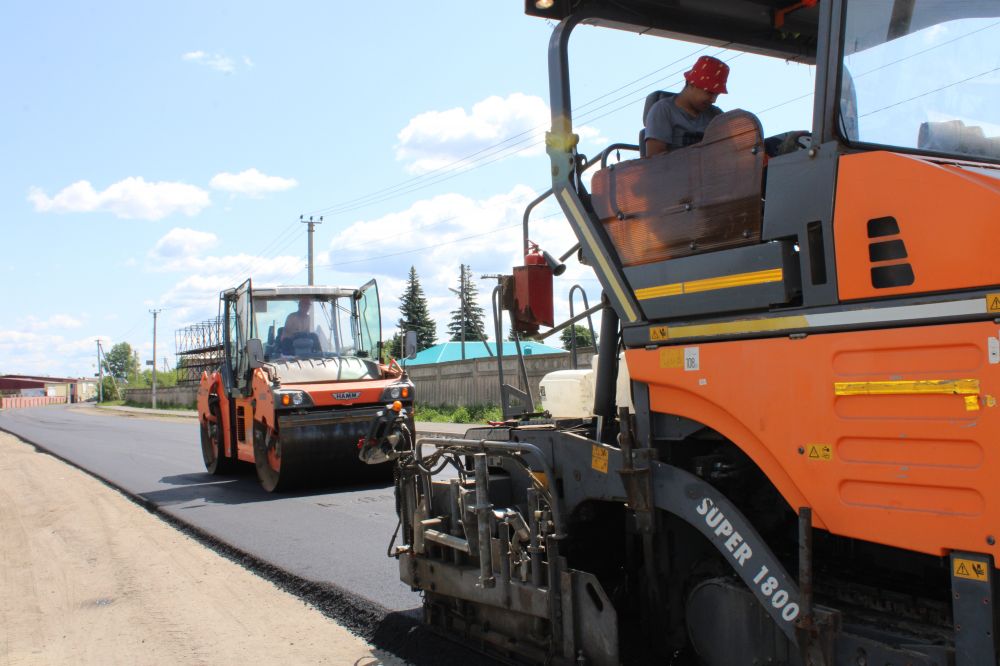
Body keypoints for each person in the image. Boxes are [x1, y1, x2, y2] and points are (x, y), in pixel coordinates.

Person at [644, 55, 730, 157]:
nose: (713, 100)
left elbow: (729, 152)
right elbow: (654, 160)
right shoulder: (663, 110)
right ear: (691, 84)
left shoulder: (716, 115)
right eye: (709, 93)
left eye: (716, 95)